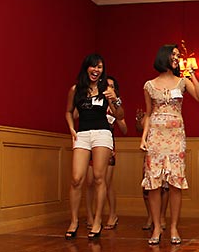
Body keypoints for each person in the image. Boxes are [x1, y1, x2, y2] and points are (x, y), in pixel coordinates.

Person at [140, 44, 199, 245]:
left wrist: (191, 75)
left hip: (176, 135)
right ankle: (157, 227)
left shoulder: (182, 82)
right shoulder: (149, 85)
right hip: (155, 135)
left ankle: (174, 227)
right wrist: (143, 137)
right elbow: (148, 114)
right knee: (154, 182)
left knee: (175, 182)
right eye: (174, 55)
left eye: (178, 55)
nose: (177, 58)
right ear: (164, 57)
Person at [65, 53, 124, 240]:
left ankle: (98, 220)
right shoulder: (76, 90)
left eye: (99, 67)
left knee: (99, 178)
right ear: (86, 68)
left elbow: (120, 115)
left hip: (102, 134)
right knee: (76, 179)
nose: (96, 70)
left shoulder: (106, 89)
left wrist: (115, 99)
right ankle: (74, 221)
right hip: (82, 134)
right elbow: (68, 112)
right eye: (93, 66)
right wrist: (71, 129)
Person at [82, 76, 127, 230]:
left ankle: (112, 215)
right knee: (89, 182)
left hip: (107, 145)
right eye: (106, 85)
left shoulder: (114, 105)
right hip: (90, 142)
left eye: (112, 86)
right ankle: (90, 215)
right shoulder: (95, 100)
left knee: (106, 182)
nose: (109, 88)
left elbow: (124, 129)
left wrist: (114, 116)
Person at [136, 109, 168, 231]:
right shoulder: (149, 112)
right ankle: (151, 216)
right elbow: (139, 128)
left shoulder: (170, 108)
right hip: (152, 149)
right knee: (148, 186)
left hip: (168, 147)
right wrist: (139, 119)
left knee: (165, 186)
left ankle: (162, 217)